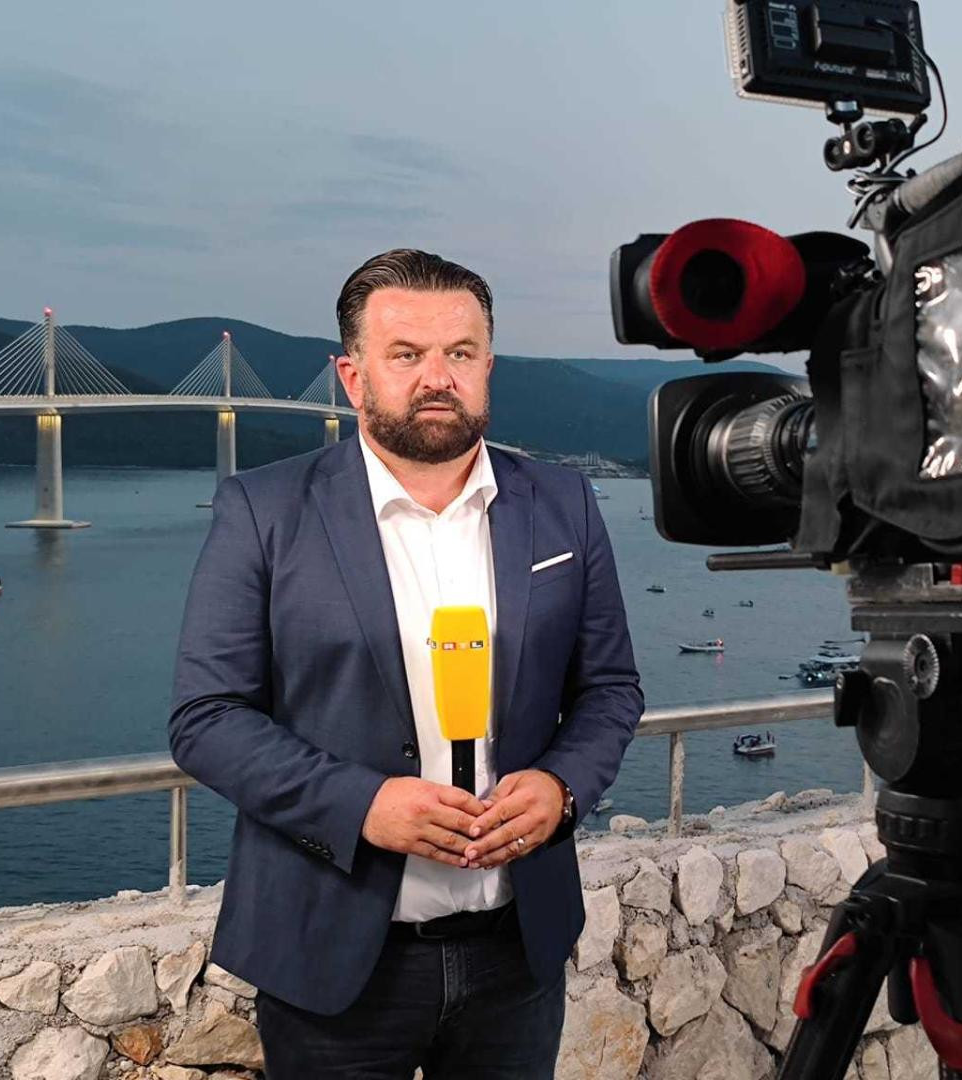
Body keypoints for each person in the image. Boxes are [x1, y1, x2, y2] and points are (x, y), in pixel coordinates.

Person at [169, 249, 642, 1078]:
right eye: (406, 354)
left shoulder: (563, 503)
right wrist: (363, 806)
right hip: (334, 957)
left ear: (488, 368)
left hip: (516, 954)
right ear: (353, 378)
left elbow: (610, 688)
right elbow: (206, 719)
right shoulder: (264, 510)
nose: (437, 376)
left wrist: (562, 786)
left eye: (460, 352)